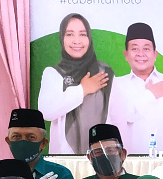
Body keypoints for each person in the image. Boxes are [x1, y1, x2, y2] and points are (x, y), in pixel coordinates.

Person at [106, 22, 163, 153]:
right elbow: (120, 118)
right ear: (126, 55)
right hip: (130, 162)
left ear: (155, 54)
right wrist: (150, 95)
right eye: (134, 49)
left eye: (146, 49)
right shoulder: (117, 85)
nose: (140, 54)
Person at [39, 12, 113, 154]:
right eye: (69, 34)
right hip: (65, 158)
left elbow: (115, 116)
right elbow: (46, 112)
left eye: (83, 34)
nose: (76, 41)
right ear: (62, 38)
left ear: (89, 38)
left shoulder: (104, 72)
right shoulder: (53, 73)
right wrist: (82, 90)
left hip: (101, 156)